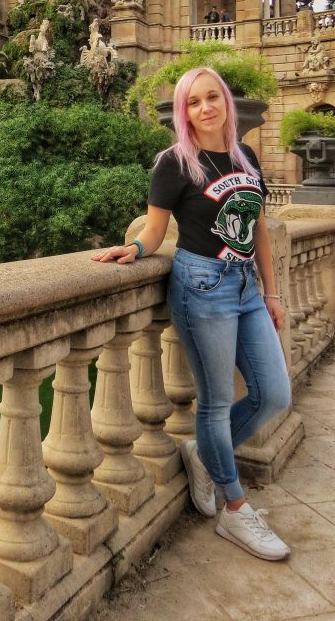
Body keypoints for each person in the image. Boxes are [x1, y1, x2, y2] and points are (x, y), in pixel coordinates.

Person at [92, 67, 291, 561]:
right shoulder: (175, 162)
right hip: (201, 286)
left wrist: (273, 293)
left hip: (246, 287)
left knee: (273, 395)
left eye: (211, 97)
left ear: (225, 101)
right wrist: (134, 249)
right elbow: (157, 231)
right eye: (193, 102)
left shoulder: (246, 158)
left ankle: (203, 453)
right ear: (184, 112)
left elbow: (259, 229)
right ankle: (235, 508)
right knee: (217, 402)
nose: (205, 108)